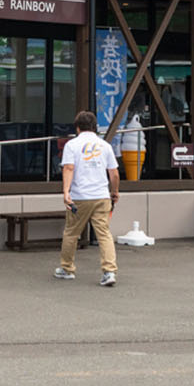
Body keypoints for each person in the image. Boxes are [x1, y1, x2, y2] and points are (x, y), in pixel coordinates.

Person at [55, 110, 120, 287]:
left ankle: (67, 269)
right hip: (101, 196)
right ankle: (109, 271)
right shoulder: (104, 145)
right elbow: (113, 173)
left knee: (71, 233)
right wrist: (114, 191)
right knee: (104, 234)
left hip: (80, 197)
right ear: (94, 127)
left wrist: (66, 192)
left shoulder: (72, 145)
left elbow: (68, 168)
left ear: (77, 127)